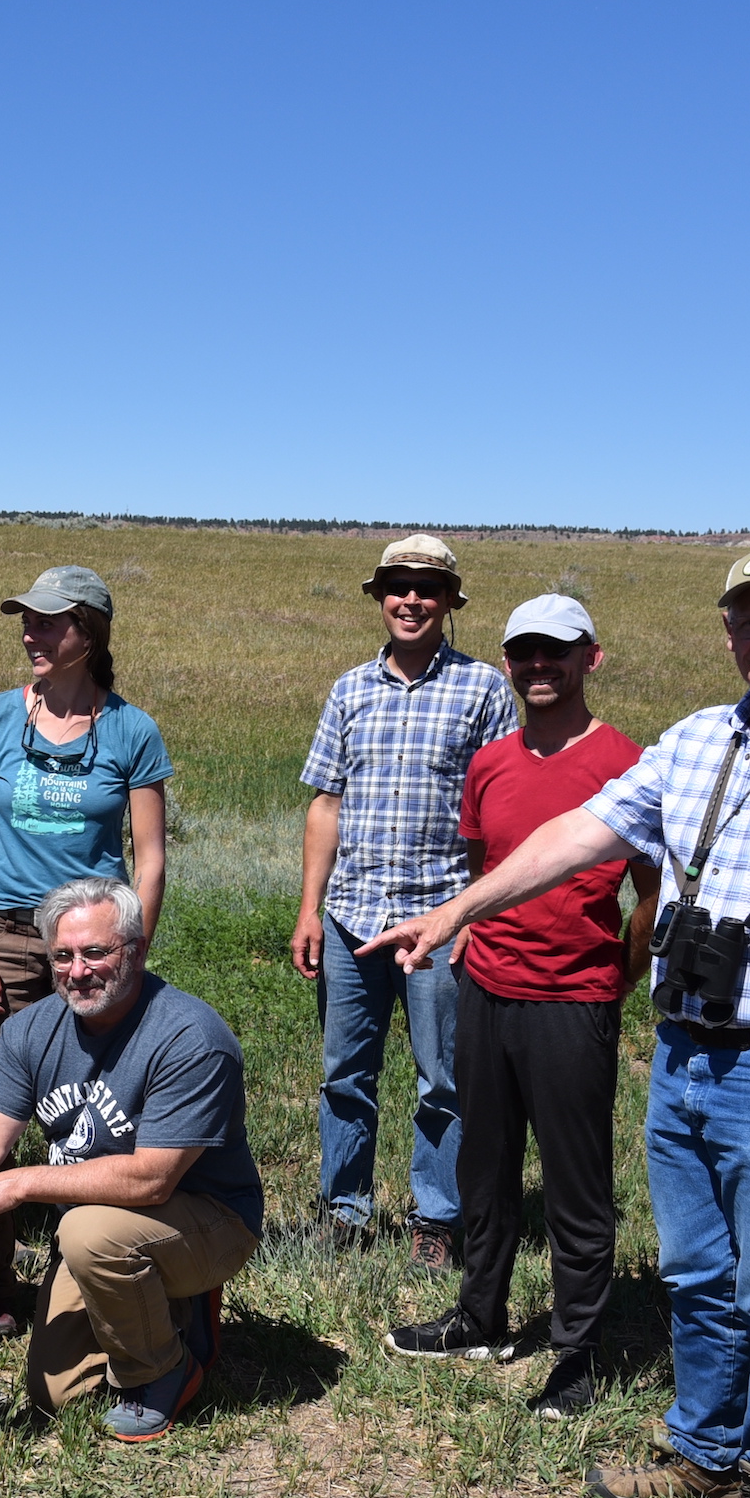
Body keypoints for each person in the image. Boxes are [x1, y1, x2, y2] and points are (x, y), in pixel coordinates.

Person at [362, 544, 750, 1498]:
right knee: (698, 1270)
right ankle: (706, 1445)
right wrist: (456, 909)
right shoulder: (695, 741)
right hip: (687, 1054)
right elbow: (578, 836)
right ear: (725, 632)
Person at [382, 595, 658, 1422]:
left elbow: (652, 891)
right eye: (525, 653)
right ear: (506, 662)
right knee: (484, 1167)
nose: (540, 667)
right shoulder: (491, 762)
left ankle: (577, 1350)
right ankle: (481, 1313)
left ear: (591, 658)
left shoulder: (624, 761)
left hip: (574, 998)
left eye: (557, 652)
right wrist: (470, 953)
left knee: (577, 1184)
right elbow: (482, 873)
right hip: (486, 989)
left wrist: (618, 973)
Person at [0, 878, 264, 1445]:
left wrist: (20, 1184)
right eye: (62, 955)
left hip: (209, 1219)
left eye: (96, 952)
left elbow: (152, 1179)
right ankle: (163, 1310)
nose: (77, 971)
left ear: (135, 951)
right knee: (56, 1391)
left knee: (89, 1232)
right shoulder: (31, 1030)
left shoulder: (190, 1037)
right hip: (101, 1225)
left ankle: (164, 1367)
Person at [0, 566, 173, 1332]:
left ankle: (93, 1274)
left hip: (94, 943)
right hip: (9, 936)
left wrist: (132, 942)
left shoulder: (131, 731)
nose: (30, 634)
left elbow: (147, 855)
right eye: (27, 621)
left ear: (90, 632)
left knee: (104, 1110)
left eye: (48, 622)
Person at [292, 534, 518, 1268]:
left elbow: (498, 808)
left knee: (444, 1077)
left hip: (440, 918)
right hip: (353, 912)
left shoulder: (482, 689)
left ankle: (437, 1218)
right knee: (343, 1073)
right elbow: (326, 804)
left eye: (428, 587)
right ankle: (345, 1207)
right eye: (397, 585)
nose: (411, 599)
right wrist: (309, 910)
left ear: (451, 601)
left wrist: (478, 913)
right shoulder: (350, 689)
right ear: (380, 597)